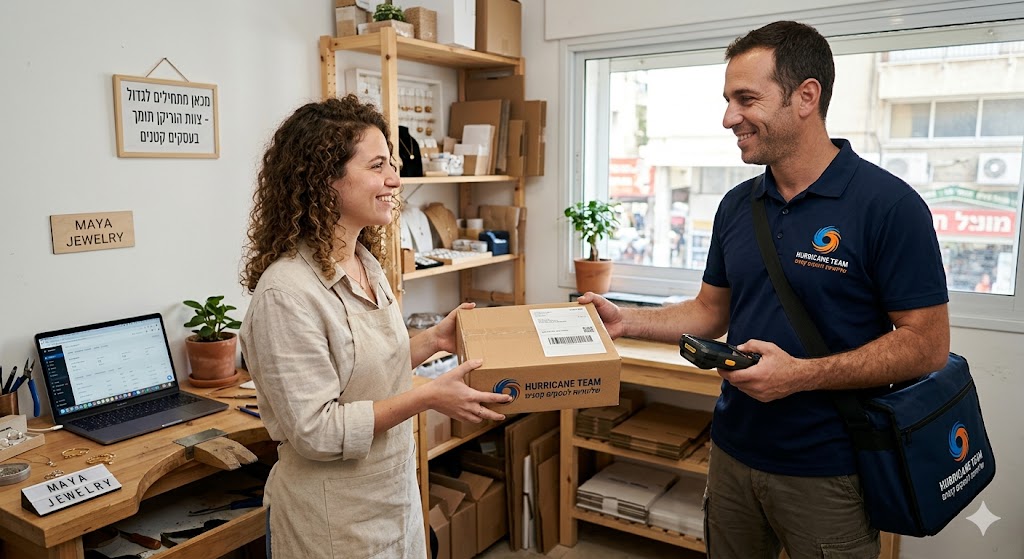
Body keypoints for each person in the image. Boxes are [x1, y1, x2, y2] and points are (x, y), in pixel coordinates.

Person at [580, 21, 949, 559]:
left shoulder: (887, 206)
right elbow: (710, 312)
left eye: (746, 99)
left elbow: (926, 345)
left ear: (806, 96)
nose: (729, 117)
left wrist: (801, 376)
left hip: (831, 470)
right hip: (732, 453)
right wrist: (627, 321)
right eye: (729, 100)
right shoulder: (736, 205)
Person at [239, 95, 511, 559]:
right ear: (326, 180)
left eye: (394, 164)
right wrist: (427, 395)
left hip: (392, 495)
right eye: (377, 165)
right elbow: (317, 430)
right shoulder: (285, 293)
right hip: (331, 520)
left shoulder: (366, 262)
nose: (394, 179)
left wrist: (431, 342)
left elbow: (360, 369)